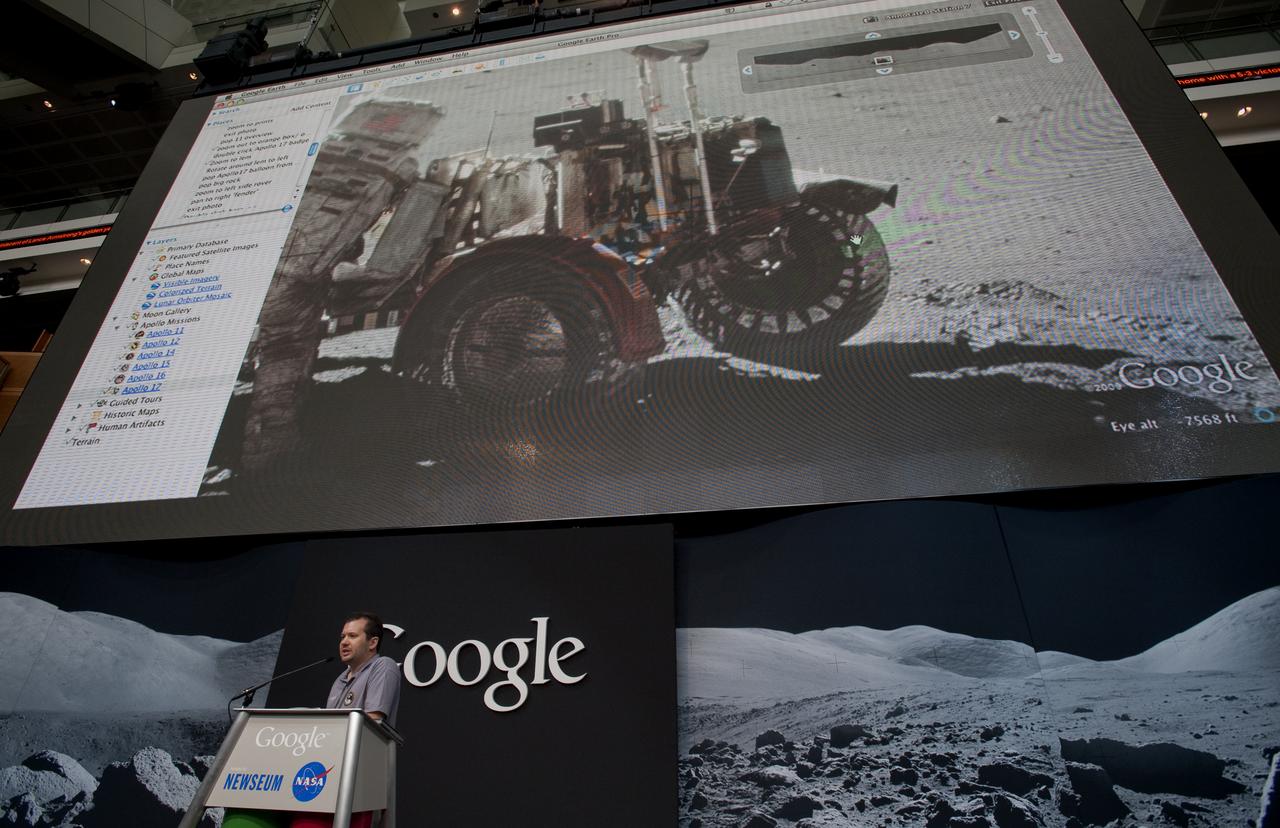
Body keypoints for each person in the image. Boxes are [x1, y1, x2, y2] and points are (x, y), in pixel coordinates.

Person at [326, 612, 401, 726]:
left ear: (372, 643)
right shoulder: (340, 680)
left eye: (352, 636)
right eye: (343, 637)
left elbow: (373, 721)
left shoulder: (383, 665)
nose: (344, 642)